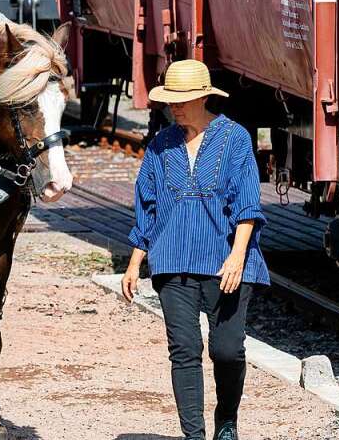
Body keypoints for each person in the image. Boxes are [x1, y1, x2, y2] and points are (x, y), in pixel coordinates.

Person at [121, 59, 269, 440]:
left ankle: (227, 419)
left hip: (226, 261)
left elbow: (248, 204)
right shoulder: (160, 145)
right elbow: (148, 205)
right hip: (172, 260)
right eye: (171, 99)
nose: (175, 106)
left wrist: (237, 255)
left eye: (183, 99)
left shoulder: (234, 138)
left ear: (204, 97)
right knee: (184, 350)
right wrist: (135, 261)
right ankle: (194, 436)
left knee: (227, 350)